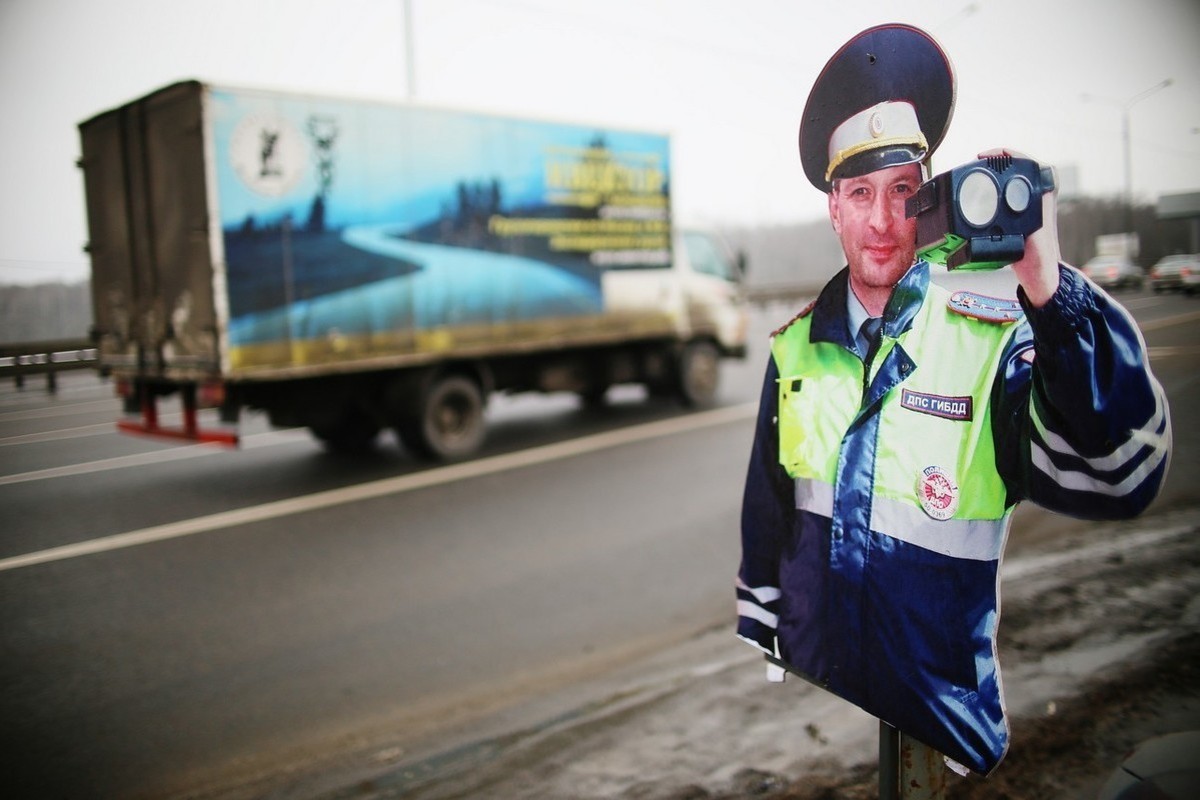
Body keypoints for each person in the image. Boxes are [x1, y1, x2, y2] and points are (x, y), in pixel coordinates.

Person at [734, 24, 1171, 775]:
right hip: (820, 676)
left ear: (932, 202)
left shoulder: (992, 343)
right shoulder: (794, 347)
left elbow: (1122, 473)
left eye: (903, 192)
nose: (880, 221)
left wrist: (1048, 286)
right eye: (860, 194)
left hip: (942, 717)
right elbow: (768, 508)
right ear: (833, 209)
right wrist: (766, 631)